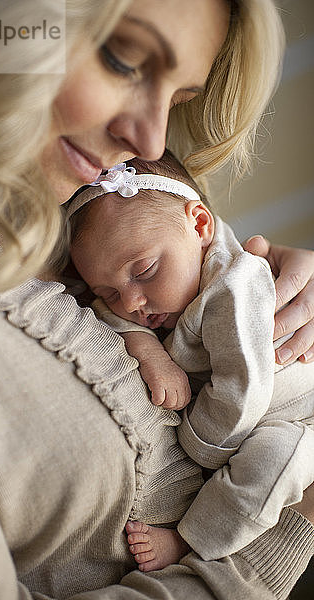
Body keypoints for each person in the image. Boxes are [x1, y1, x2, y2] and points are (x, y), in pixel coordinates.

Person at [0, 0, 314, 598]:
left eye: (178, 99)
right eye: (121, 60)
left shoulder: (82, 226)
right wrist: (293, 526)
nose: (150, 136)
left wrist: (280, 298)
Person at [68, 150, 314, 571]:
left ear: (199, 225)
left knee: (275, 457)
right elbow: (99, 309)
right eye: (111, 290)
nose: (131, 302)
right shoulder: (153, 288)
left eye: (143, 270)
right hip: (258, 420)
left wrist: (197, 447)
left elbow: (245, 386)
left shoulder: (234, 285)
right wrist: (146, 349)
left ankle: (191, 541)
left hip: (297, 418)